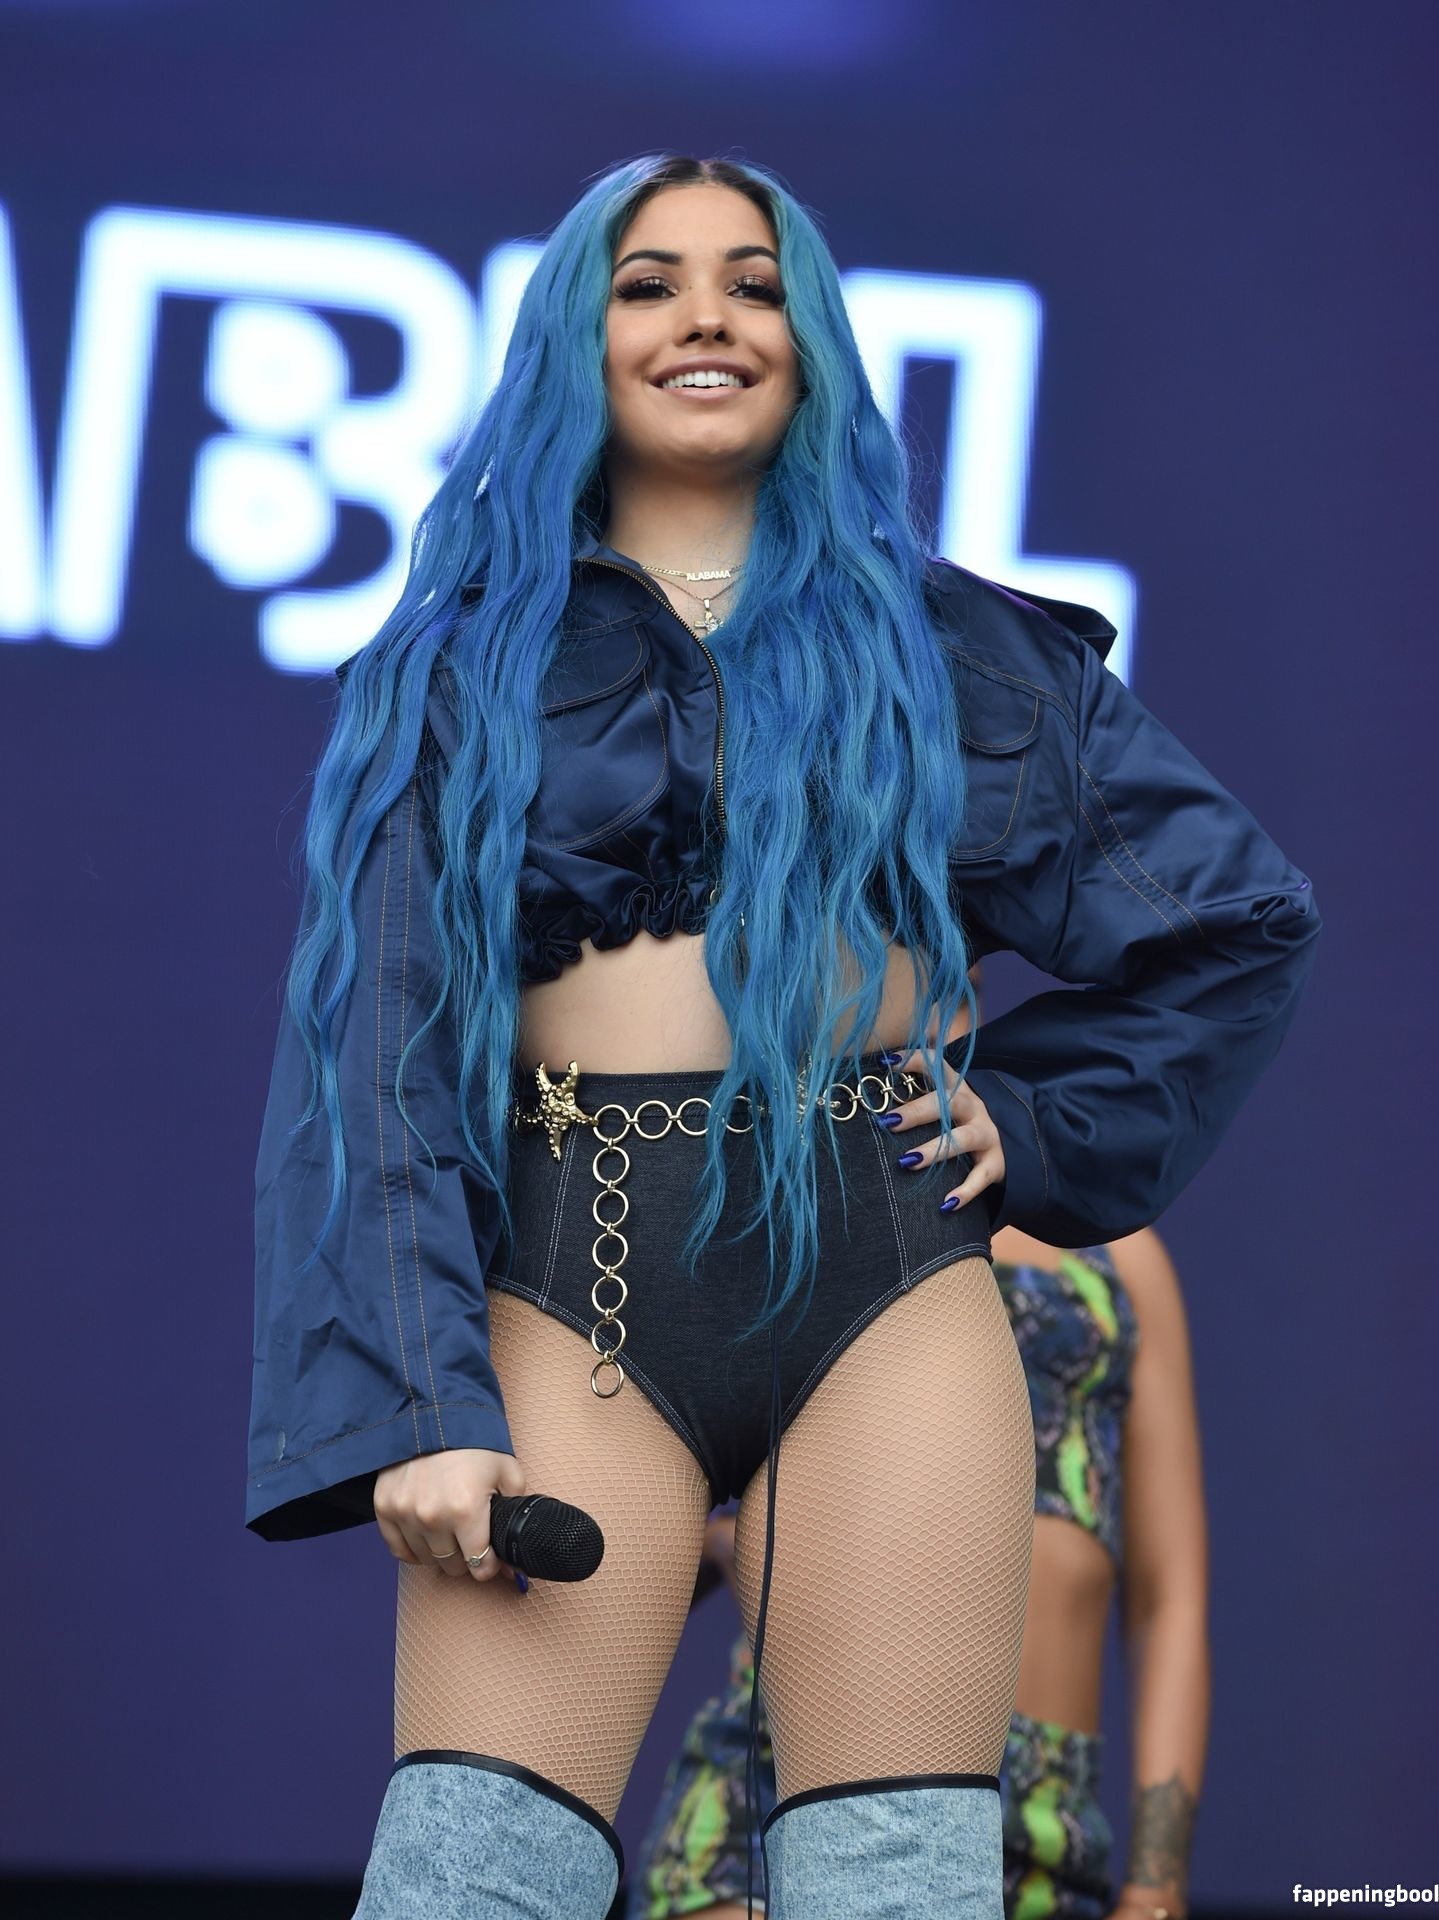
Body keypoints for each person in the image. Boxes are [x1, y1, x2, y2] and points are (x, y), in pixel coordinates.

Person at [244, 152, 1319, 1920]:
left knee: (893, 1884)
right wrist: (419, 1402)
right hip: (578, 1283)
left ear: (808, 339)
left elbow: (1237, 919)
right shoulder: (455, 669)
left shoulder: (954, 649)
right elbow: (370, 1059)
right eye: (648, 283)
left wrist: (1032, 1122)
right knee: (466, 1878)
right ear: (575, 338)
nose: (708, 318)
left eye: (753, 284)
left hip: (888, 1283)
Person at [629, 1097, 1209, 1920]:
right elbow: (646, 1471)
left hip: (1041, 1816)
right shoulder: (806, 1199)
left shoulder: (1114, 1255)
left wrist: (1157, 1885)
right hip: (780, 1773)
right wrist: (729, 1542)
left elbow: (1168, 1600)